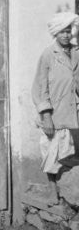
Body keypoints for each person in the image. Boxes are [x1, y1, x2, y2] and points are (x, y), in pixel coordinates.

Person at [32, 12, 79, 180]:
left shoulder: (76, 52)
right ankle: (53, 192)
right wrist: (46, 117)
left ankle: (66, 193)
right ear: (56, 33)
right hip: (55, 115)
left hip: (72, 113)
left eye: (68, 31)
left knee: (69, 155)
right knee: (52, 156)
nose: (66, 35)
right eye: (62, 32)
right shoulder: (48, 55)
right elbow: (40, 88)